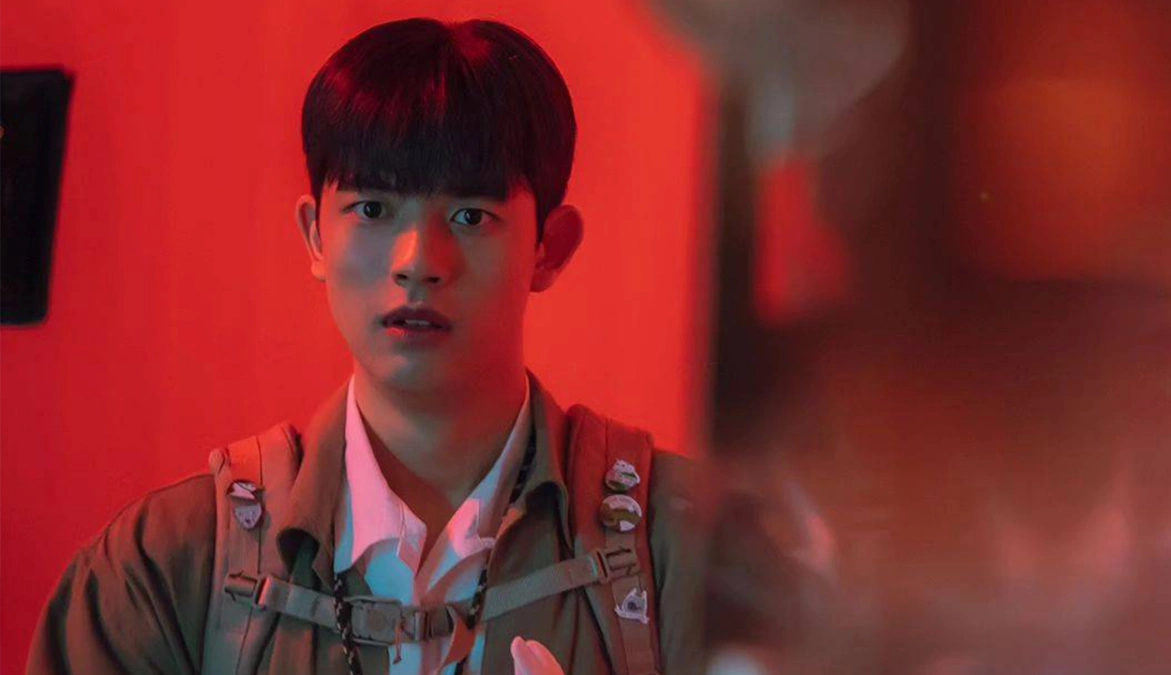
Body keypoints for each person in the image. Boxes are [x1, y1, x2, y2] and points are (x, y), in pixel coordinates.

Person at [26, 18, 702, 675]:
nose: (418, 262)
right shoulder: (163, 569)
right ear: (315, 235)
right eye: (373, 209)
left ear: (548, 247)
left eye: (471, 216)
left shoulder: (691, 552)